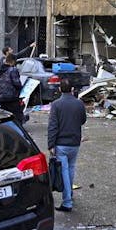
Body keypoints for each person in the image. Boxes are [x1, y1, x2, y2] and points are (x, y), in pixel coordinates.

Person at [46, 79, 86, 212]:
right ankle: (69, 195)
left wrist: (51, 144)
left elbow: (53, 126)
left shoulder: (56, 105)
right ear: (72, 89)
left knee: (64, 171)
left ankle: (67, 202)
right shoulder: (79, 103)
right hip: (75, 142)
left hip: (61, 144)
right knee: (70, 169)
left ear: (60, 90)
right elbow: (82, 120)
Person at [0, 53, 23, 125]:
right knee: (16, 116)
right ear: (13, 61)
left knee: (4, 117)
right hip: (11, 98)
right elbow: (17, 84)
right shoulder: (12, 70)